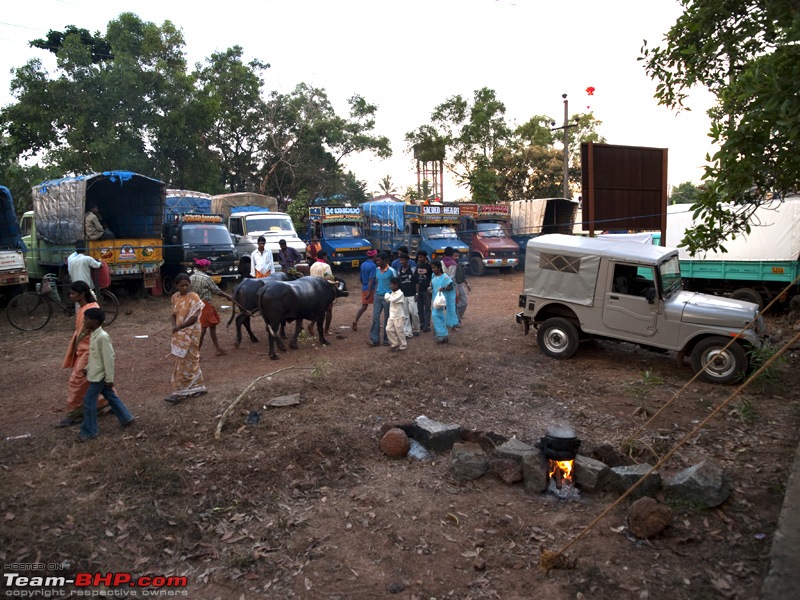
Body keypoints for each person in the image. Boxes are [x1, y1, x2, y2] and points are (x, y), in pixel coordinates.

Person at [76, 307, 135, 442]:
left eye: (86, 320)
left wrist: (109, 378)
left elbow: (109, 358)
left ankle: (89, 431)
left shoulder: (102, 337)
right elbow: (95, 357)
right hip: (96, 373)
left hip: (100, 377)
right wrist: (87, 368)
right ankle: (126, 418)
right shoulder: (94, 335)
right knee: (111, 397)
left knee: (89, 401)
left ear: (95, 322)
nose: (84, 322)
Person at [59, 281, 108, 427]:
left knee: (77, 380)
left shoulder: (92, 309)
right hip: (83, 349)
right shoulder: (82, 308)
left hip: (90, 351)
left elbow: (97, 333)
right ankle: (106, 404)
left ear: (82, 294)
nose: (70, 295)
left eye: (73, 293)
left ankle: (74, 413)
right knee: (99, 381)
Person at [166, 273, 207, 404]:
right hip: (180, 331)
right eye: (181, 285)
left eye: (186, 285)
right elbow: (173, 314)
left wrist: (180, 326)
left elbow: (195, 317)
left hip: (192, 331)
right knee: (182, 359)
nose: (184, 287)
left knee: (189, 358)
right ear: (176, 286)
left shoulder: (194, 297)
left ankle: (179, 392)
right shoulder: (174, 297)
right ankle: (198, 387)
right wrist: (174, 326)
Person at [190, 258, 234, 356]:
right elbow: (216, 290)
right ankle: (197, 352)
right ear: (204, 267)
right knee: (203, 328)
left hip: (195, 304)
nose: (208, 268)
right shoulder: (206, 278)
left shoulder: (191, 277)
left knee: (212, 325)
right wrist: (227, 296)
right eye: (207, 266)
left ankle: (217, 348)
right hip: (205, 304)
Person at [368, 252, 397, 347]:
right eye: (377, 260)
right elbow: (376, 282)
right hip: (378, 296)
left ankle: (386, 339)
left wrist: (393, 296)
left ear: (385, 260)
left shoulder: (391, 271)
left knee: (387, 319)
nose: (377, 262)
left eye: (379, 260)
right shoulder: (377, 270)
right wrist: (375, 292)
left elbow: (396, 284)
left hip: (388, 297)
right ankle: (374, 339)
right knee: (375, 318)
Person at [430, 260, 458, 343]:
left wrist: (443, 289)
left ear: (439, 268)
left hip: (441, 300)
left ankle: (442, 334)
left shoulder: (445, 277)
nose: (433, 270)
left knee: (436, 315)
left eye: (434, 268)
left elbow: (451, 287)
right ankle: (442, 334)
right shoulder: (433, 276)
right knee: (439, 316)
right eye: (432, 268)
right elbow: (432, 285)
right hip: (435, 299)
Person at [308, 249, 335, 335]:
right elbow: (329, 279)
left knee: (319, 310)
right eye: (326, 256)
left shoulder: (313, 265)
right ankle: (326, 330)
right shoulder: (326, 266)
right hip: (323, 291)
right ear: (324, 257)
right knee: (329, 310)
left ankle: (312, 324)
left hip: (313, 290)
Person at [353, 249, 377, 332]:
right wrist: (370, 291)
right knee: (376, 306)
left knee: (364, 306)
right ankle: (375, 323)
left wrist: (364, 285)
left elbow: (360, 277)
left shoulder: (363, 264)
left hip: (364, 287)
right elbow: (371, 279)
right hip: (372, 288)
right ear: (374, 256)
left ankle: (355, 320)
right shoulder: (373, 266)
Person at [396, 253, 420, 337]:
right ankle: (408, 332)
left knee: (414, 313)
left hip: (412, 295)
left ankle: (416, 329)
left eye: (403, 260)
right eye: (400, 260)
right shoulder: (399, 271)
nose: (401, 262)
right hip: (403, 295)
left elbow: (417, 282)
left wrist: (417, 293)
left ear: (407, 260)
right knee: (405, 315)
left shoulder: (413, 270)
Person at [384, 277, 407, 352]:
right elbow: (388, 299)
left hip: (399, 316)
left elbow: (391, 299)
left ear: (396, 285)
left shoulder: (400, 293)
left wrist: (387, 295)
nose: (390, 286)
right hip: (392, 315)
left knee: (399, 331)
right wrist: (388, 295)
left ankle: (403, 345)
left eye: (391, 284)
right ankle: (395, 343)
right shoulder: (392, 293)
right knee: (388, 329)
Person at [415, 250, 432, 333]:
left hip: (426, 291)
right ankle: (422, 324)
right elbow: (416, 280)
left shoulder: (429, 267)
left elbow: (431, 279)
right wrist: (417, 292)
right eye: (418, 257)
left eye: (421, 257)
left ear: (425, 257)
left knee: (427, 308)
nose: (419, 258)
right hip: (420, 290)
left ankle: (426, 325)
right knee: (420, 308)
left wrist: (430, 288)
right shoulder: (417, 266)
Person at [453, 251, 471, 323]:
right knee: (455, 303)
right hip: (454, 285)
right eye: (455, 256)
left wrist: (467, 284)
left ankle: (457, 317)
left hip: (460, 284)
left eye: (458, 256)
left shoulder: (459, 265)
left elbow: (463, 276)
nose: (457, 258)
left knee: (464, 303)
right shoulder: (451, 266)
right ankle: (456, 319)